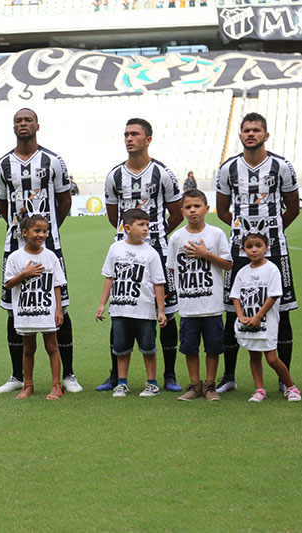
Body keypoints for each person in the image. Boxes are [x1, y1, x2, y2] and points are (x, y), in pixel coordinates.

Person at [0, 108, 81, 394]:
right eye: (18, 120)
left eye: (27, 120)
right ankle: (17, 376)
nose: (23, 124)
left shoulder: (53, 161)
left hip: (49, 245)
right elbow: (2, 204)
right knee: (13, 309)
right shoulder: (2, 165)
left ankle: (68, 374)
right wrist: (19, 229)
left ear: (37, 125)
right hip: (14, 248)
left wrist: (48, 231)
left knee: (60, 308)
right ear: (13, 126)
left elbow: (65, 200)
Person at [215, 112, 300, 394]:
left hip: (276, 250)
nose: (251, 134)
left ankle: (281, 378)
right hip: (239, 252)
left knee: (283, 310)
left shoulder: (281, 166)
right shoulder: (228, 169)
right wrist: (246, 237)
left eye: (256, 130)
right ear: (240, 135)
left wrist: (270, 235)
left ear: (266, 134)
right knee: (232, 310)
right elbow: (223, 209)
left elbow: (293, 207)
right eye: (246, 130)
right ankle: (229, 376)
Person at [97, 117, 184, 392]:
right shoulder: (115, 175)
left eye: (134, 134)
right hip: (124, 255)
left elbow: (177, 211)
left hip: (157, 250)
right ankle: (115, 376)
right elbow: (114, 215)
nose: (128, 138)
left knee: (166, 313)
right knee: (121, 309)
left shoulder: (164, 173)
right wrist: (129, 240)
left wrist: (152, 235)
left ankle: (169, 375)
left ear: (148, 140)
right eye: (126, 134)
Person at [95, 209, 167, 398]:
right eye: (141, 225)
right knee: (121, 349)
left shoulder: (151, 253)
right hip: (120, 309)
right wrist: (103, 304)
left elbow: (159, 283)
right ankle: (121, 383)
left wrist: (161, 310)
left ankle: (152, 383)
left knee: (148, 348)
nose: (146, 229)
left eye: (147, 225)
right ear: (127, 228)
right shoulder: (115, 249)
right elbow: (109, 278)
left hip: (144, 311)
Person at [170, 189, 231, 401]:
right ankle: (195, 385)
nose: (193, 210)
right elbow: (172, 268)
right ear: (182, 211)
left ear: (207, 208)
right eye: (188, 207)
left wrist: (206, 254)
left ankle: (210, 385)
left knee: (213, 346)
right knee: (190, 347)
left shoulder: (216, 234)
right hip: (188, 306)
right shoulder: (177, 237)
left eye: (197, 206)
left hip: (212, 304)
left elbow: (228, 264)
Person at [229, 232, 301, 402]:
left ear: (266, 247)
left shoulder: (271, 269)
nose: (254, 250)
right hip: (248, 322)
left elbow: (273, 296)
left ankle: (290, 387)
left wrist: (258, 316)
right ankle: (259, 389)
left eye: (258, 246)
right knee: (254, 355)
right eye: (249, 247)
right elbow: (236, 296)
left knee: (272, 358)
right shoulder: (242, 272)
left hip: (265, 322)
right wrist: (240, 316)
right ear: (243, 249)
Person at [4, 214, 65, 400]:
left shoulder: (50, 256)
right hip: (26, 312)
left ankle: (56, 386)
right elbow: (8, 284)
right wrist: (25, 273)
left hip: (46, 311)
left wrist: (59, 309)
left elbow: (57, 284)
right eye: (37, 230)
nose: (42, 234)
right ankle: (28, 385)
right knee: (28, 349)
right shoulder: (15, 257)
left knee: (52, 347)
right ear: (24, 233)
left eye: (45, 231)